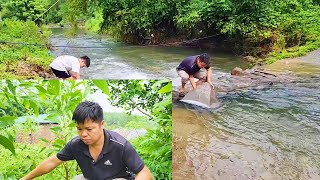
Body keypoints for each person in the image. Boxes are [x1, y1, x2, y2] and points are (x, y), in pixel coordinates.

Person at [21, 101, 153, 180]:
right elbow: (52, 162)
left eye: (89, 129)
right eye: (79, 129)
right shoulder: (76, 145)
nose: (83, 134)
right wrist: (26, 178)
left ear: (102, 124)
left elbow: (145, 173)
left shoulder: (120, 145)